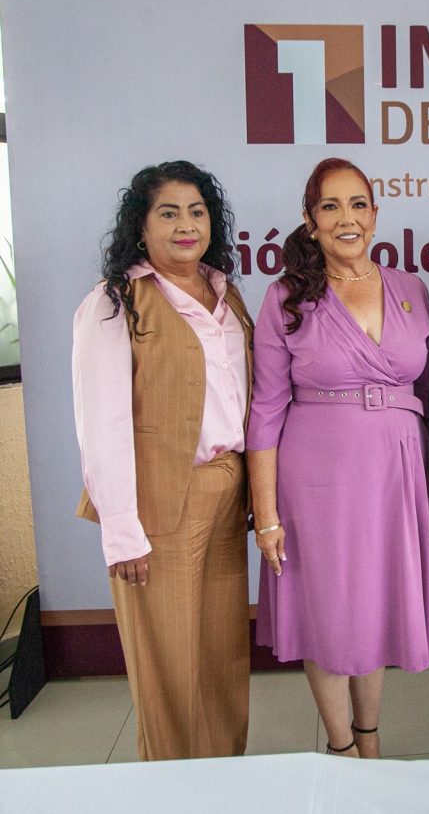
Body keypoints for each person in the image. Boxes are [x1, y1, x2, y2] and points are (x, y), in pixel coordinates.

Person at [247, 157, 429, 758]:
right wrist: (266, 516)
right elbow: (265, 410)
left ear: (376, 215)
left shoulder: (411, 289)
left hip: (397, 473)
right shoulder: (285, 297)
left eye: (358, 204)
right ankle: (341, 749)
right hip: (318, 479)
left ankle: (370, 739)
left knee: (374, 604)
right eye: (330, 207)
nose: (346, 218)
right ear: (310, 221)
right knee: (331, 612)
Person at [72, 161, 251, 761]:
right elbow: (101, 422)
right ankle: (170, 786)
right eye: (168, 213)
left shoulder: (226, 294)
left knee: (222, 656)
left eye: (196, 212)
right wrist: (121, 531)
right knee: (168, 665)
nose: (185, 225)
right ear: (141, 226)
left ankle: (222, 777)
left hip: (227, 491)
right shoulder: (115, 301)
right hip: (158, 502)